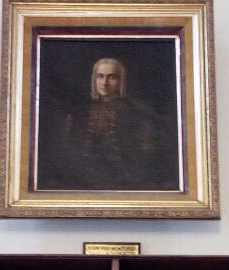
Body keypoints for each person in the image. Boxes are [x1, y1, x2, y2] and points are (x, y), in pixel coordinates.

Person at [41, 57, 178, 191]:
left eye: (112, 77)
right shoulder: (79, 112)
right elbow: (69, 151)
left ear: (121, 81)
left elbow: (146, 156)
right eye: (100, 76)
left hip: (126, 182)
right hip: (83, 182)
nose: (104, 83)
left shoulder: (136, 113)